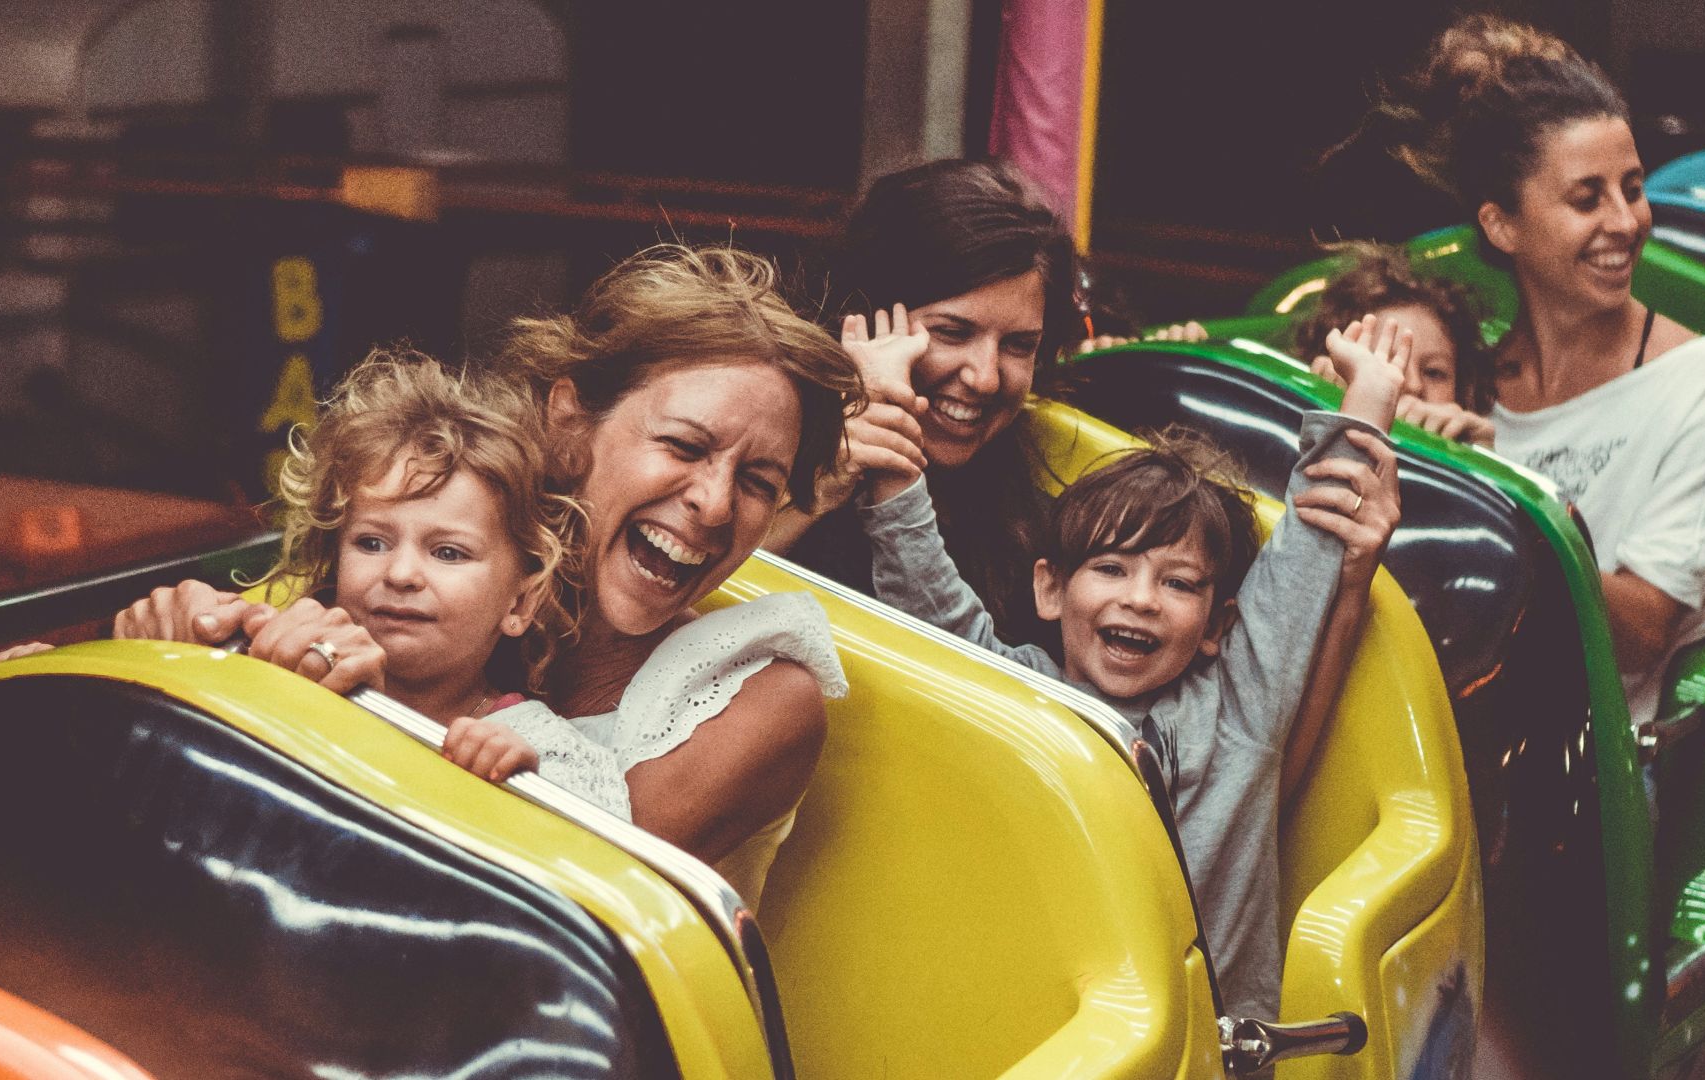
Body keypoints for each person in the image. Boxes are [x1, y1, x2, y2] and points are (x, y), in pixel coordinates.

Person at [90, 246, 864, 910]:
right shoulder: (433, 587)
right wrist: (177, 650)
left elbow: (533, 903)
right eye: (685, 446)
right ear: (569, 421)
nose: (715, 501)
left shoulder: (759, 698)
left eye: (760, 482)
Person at [849, 311, 1410, 1024]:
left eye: (1178, 583)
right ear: (1050, 589)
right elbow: (922, 585)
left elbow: (1308, 552)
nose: (1141, 599)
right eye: (1111, 568)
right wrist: (887, 417)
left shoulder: (1238, 709)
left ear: (1216, 629)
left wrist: (1369, 400)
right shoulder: (1018, 692)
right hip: (1065, 1035)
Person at [1364, 20, 1705, 730]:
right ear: (1502, 225)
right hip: (1420, 716)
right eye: (1586, 198)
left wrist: (1484, 492)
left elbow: (1639, 633)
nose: (1627, 221)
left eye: (1632, 189)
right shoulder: (1461, 373)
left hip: (1582, 767)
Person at [0, 350, 585, 785]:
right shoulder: (269, 669)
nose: (401, 573)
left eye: (447, 552)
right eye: (371, 543)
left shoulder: (545, 749)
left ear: (519, 604)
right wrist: (57, 686)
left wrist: (522, 790)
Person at [765, 158, 1083, 651]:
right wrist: (819, 491)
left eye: (1019, 345)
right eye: (952, 333)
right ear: (864, 320)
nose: (985, 377)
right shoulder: (756, 437)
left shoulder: (1038, 513)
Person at [1294, 243, 1497, 445]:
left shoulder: (1474, 443)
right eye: (1387, 364)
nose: (1414, 385)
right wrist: (1326, 403)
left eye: (1434, 373)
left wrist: (1480, 460)